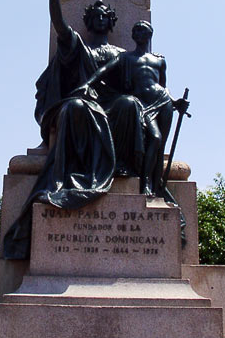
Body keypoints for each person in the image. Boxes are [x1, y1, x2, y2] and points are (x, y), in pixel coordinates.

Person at [2, 0, 144, 259]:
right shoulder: (77, 46)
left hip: (113, 107)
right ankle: (85, 172)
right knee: (76, 108)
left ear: (112, 21)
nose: (100, 17)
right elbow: (59, 23)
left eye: (106, 14)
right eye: (95, 14)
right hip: (85, 103)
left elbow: (134, 89)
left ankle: (130, 170)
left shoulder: (122, 55)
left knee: (131, 105)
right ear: (88, 21)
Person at [76, 20, 187, 205]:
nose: (138, 33)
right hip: (141, 105)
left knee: (160, 147)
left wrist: (176, 102)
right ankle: (144, 185)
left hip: (162, 102)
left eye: (142, 30)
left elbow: (163, 86)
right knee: (155, 138)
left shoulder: (160, 60)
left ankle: (152, 184)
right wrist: (88, 84)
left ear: (149, 34)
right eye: (135, 30)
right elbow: (104, 71)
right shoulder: (125, 58)